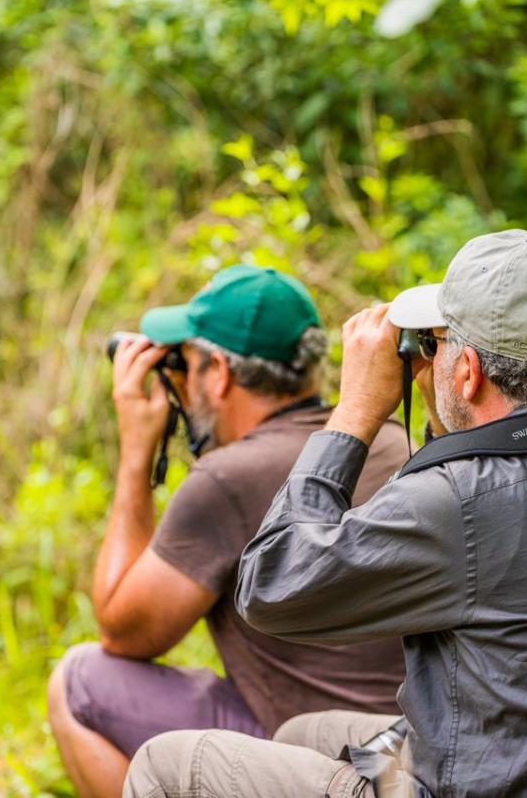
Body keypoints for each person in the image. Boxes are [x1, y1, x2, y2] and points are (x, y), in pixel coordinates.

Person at [125, 230, 527, 797]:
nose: (426, 357)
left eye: (437, 345)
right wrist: (440, 405)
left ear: (469, 372)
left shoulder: (465, 500)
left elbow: (272, 586)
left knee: (166, 764)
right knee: (303, 733)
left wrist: (356, 413)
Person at [48, 264, 408, 797]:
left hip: (305, 758)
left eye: (187, 363)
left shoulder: (227, 478)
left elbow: (125, 632)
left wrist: (135, 453)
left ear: (217, 372)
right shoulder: (392, 440)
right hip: (401, 748)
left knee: (78, 679)